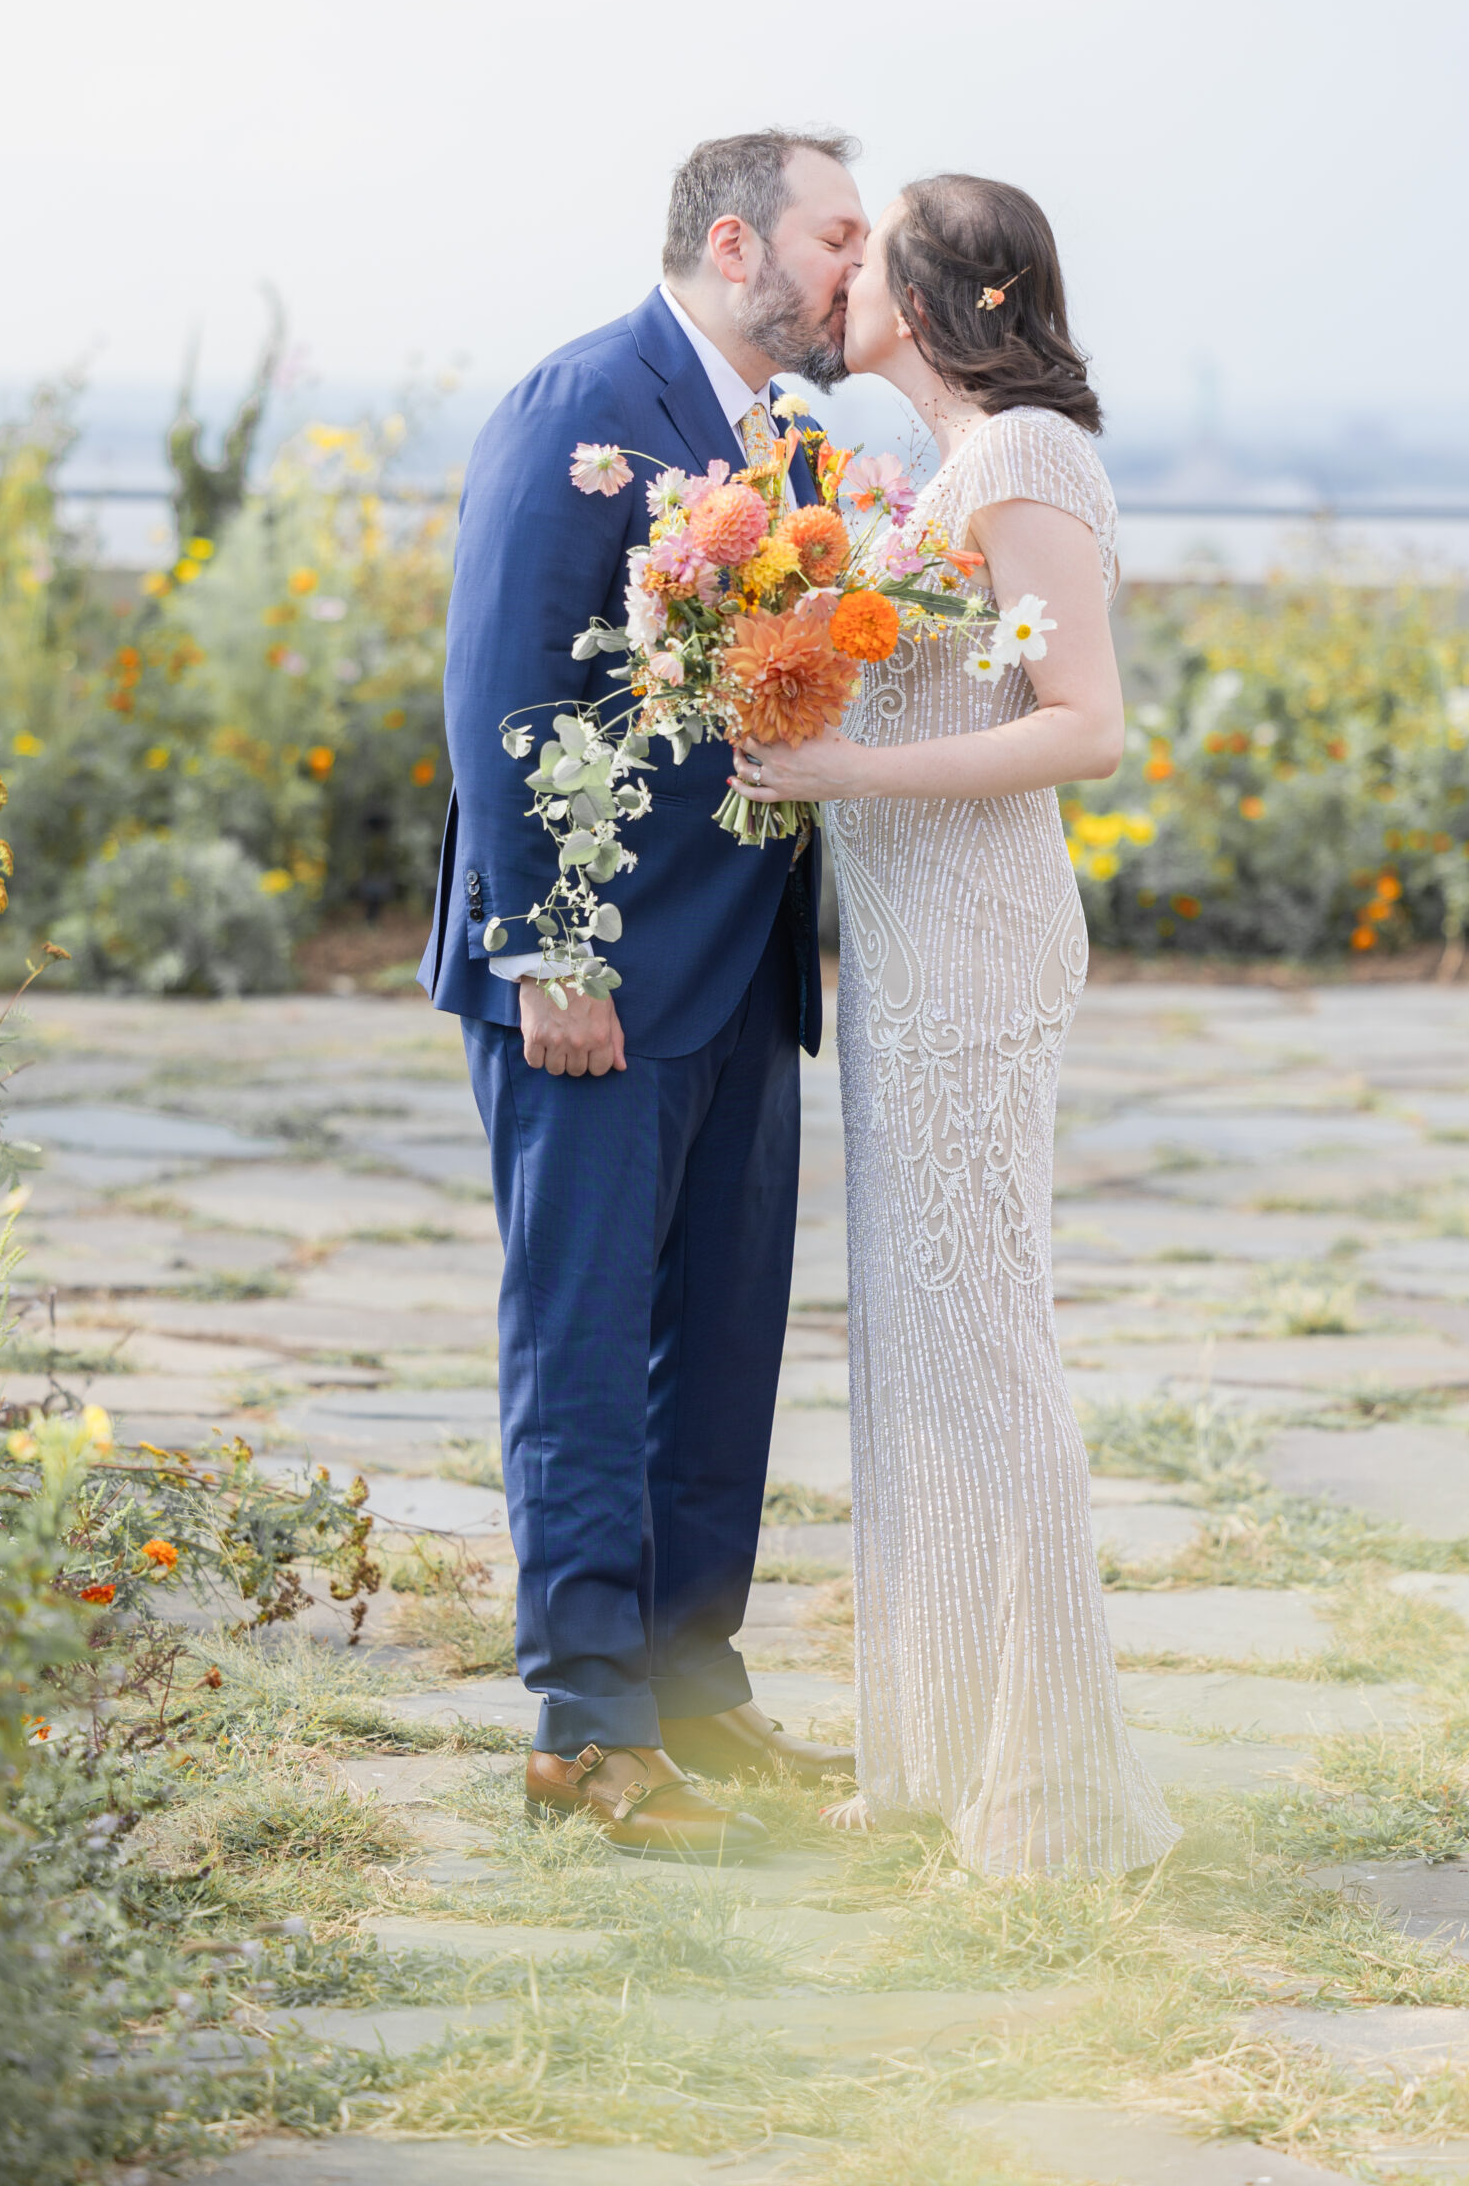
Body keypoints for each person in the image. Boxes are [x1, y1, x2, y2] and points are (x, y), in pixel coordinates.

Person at [419, 130, 869, 1853]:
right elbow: (503, 684)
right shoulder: (580, 405)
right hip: (589, 977)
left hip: (745, 966)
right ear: (737, 237)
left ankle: (693, 1684)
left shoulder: (792, 438)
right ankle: (583, 1730)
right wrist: (547, 947)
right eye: (839, 237)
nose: (857, 268)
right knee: (588, 1344)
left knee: (725, 1347)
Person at [732, 175, 1180, 1876]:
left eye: (868, 249)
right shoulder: (939, 472)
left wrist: (848, 765)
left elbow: (1087, 727)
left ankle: (1056, 1792)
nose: (838, 273)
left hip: (980, 957)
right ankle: (932, 1756)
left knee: (984, 1351)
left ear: (921, 299)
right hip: (906, 959)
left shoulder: (1023, 462)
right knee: (915, 1354)